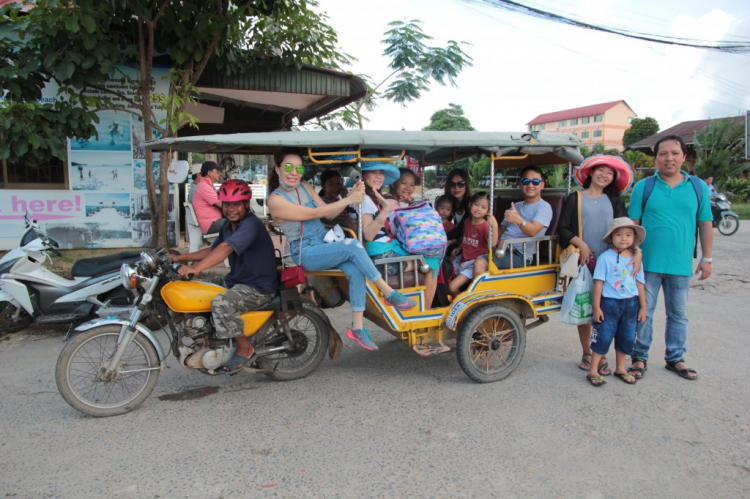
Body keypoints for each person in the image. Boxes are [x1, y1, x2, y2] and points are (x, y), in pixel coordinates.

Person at [267, 149, 416, 352]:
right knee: (353, 245)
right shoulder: (275, 200)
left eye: (298, 167)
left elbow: (329, 215)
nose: (294, 172)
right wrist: (349, 199)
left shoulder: (305, 187)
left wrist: (354, 196)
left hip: (325, 242)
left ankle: (357, 327)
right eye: (288, 167)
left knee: (354, 268)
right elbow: (315, 213)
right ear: (277, 169)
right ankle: (388, 292)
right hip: (305, 250)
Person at [627, 134, 713, 381]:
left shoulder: (697, 187)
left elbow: (705, 223)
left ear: (683, 157)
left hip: (680, 265)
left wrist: (707, 258)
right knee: (644, 311)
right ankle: (639, 356)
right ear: (656, 158)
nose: (669, 158)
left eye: (674, 153)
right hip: (647, 265)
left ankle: (675, 357)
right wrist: (631, 255)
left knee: (678, 314)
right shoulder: (645, 187)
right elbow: (634, 225)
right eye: (663, 154)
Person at [172, 179, 277, 371]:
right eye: (227, 204)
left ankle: (245, 348)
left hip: (257, 286)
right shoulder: (228, 226)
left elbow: (225, 248)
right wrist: (181, 258)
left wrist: (197, 269)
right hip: (236, 280)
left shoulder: (251, 225)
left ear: (247, 204)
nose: (231, 209)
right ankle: (209, 339)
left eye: (236, 204)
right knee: (195, 291)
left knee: (221, 303)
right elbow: (213, 250)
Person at [558, 154, 639, 376]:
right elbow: (563, 229)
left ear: (614, 178)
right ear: (590, 172)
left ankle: (600, 354)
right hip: (585, 262)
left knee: (608, 310)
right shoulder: (575, 198)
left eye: (610, 172)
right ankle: (588, 353)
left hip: (612, 263)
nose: (604, 175)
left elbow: (627, 230)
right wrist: (581, 243)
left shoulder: (614, 200)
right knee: (586, 307)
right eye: (600, 170)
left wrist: (637, 252)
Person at [362, 165, 439, 307]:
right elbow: (402, 231)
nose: (408, 188)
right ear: (394, 184)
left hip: (383, 249)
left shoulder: (379, 198)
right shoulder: (386, 202)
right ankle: (427, 310)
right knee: (433, 262)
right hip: (383, 253)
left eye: (411, 184)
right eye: (404, 183)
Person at [587, 218, 647, 387]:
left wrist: (643, 306)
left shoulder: (636, 259)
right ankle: (593, 369)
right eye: (619, 235)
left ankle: (621, 368)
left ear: (634, 238)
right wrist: (596, 306)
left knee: (627, 337)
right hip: (609, 304)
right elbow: (598, 283)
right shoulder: (605, 258)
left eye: (628, 235)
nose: (623, 239)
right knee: (603, 336)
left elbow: (640, 283)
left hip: (631, 304)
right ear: (611, 237)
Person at [490, 166, 553, 269]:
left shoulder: (544, 207)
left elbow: (533, 231)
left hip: (519, 255)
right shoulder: (516, 206)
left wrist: (518, 220)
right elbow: (501, 230)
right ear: (520, 184)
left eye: (535, 182)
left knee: (481, 263)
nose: (530, 185)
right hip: (501, 250)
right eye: (526, 181)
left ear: (542, 185)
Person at [448, 192, 499, 295]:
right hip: (463, 258)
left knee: (452, 287)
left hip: (473, 262)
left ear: (487, 211)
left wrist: (494, 226)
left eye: (483, 207)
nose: (479, 209)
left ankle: (464, 303)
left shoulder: (485, 226)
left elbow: (492, 244)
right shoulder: (467, 221)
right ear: (470, 204)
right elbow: (467, 237)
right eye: (476, 205)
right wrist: (459, 247)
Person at [193, 161, 225, 234]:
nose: (219, 173)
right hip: (210, 224)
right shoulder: (204, 186)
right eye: (217, 171)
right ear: (209, 172)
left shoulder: (207, 185)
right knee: (237, 223)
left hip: (214, 221)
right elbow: (221, 204)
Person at [443, 169, 473, 249]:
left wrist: (441, 238)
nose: (456, 188)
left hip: (472, 243)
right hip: (458, 241)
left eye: (461, 184)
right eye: (452, 184)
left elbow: (461, 229)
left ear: (466, 185)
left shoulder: (471, 203)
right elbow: (444, 221)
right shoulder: (451, 203)